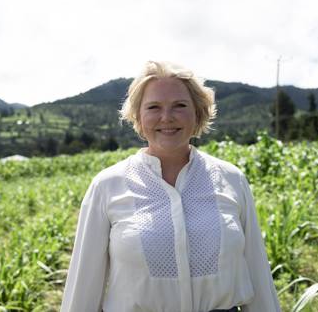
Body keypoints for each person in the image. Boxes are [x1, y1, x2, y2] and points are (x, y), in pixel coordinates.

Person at [60, 61, 281, 312]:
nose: (167, 117)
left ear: (198, 114)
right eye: (153, 107)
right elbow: (83, 288)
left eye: (180, 106)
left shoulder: (232, 179)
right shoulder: (107, 186)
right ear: (139, 118)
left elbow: (258, 274)